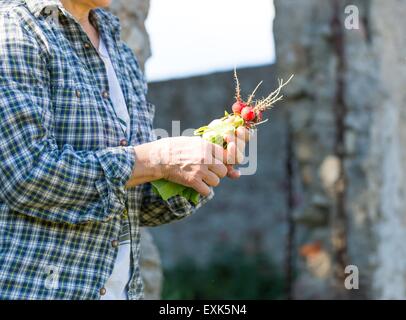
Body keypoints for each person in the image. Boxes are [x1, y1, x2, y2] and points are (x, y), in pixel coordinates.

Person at [0, 0, 249, 299]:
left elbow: (136, 205)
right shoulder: (13, 31)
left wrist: (198, 167)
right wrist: (159, 159)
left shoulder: (119, 52)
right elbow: (26, 176)